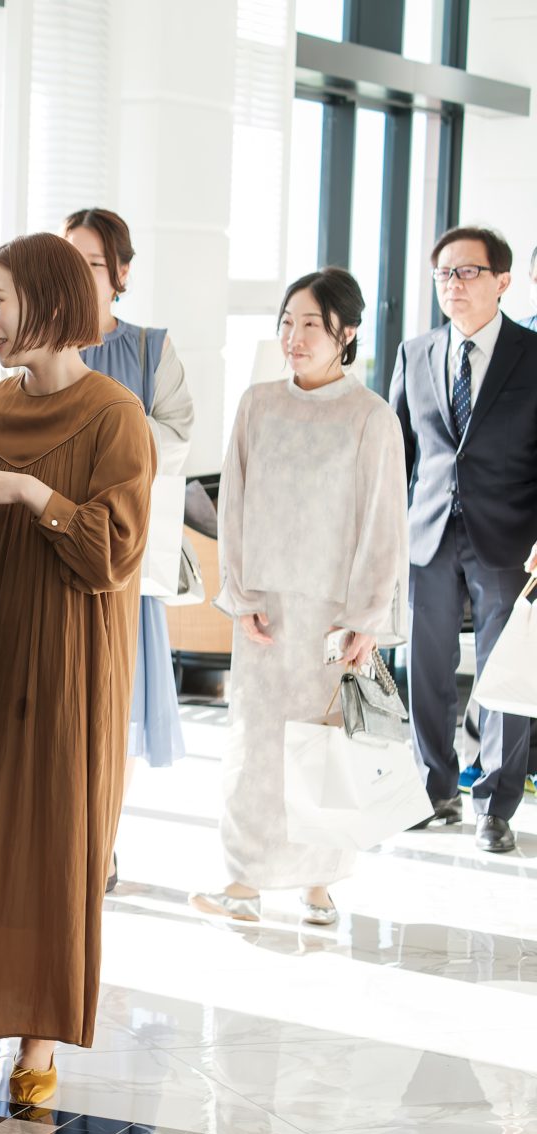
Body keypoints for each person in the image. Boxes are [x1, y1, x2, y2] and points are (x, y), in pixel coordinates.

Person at [0, 232, 154, 1107]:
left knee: (53, 839)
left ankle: (38, 1035)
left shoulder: (116, 415)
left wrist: (27, 492)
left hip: (72, 659)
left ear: (47, 302)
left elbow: (114, 552)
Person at [191, 267, 408, 926]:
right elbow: (234, 506)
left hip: (333, 616)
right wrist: (239, 593)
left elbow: (383, 524)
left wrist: (367, 617)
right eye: (287, 322)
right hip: (267, 611)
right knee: (256, 745)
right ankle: (244, 882)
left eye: (311, 323)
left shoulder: (371, 417)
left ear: (347, 332)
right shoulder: (258, 404)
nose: (294, 336)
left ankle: (320, 885)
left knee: (325, 749)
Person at [391, 225, 537, 855]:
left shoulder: (532, 354)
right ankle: (435, 789)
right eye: (444, 273)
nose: (452, 283)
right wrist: (387, 534)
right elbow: (397, 454)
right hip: (427, 536)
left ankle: (496, 805)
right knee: (425, 666)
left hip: (509, 537)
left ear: (502, 281)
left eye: (467, 271)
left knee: (504, 671)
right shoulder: (415, 353)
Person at [63, 209, 191, 874]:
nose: (80, 275)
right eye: (69, 261)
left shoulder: (148, 349)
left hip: (123, 554)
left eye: (92, 263)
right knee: (59, 702)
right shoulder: (38, 343)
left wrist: (112, 439)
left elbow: (178, 434)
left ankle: (101, 841)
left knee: (120, 706)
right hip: (53, 543)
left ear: (121, 273)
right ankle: (62, 836)